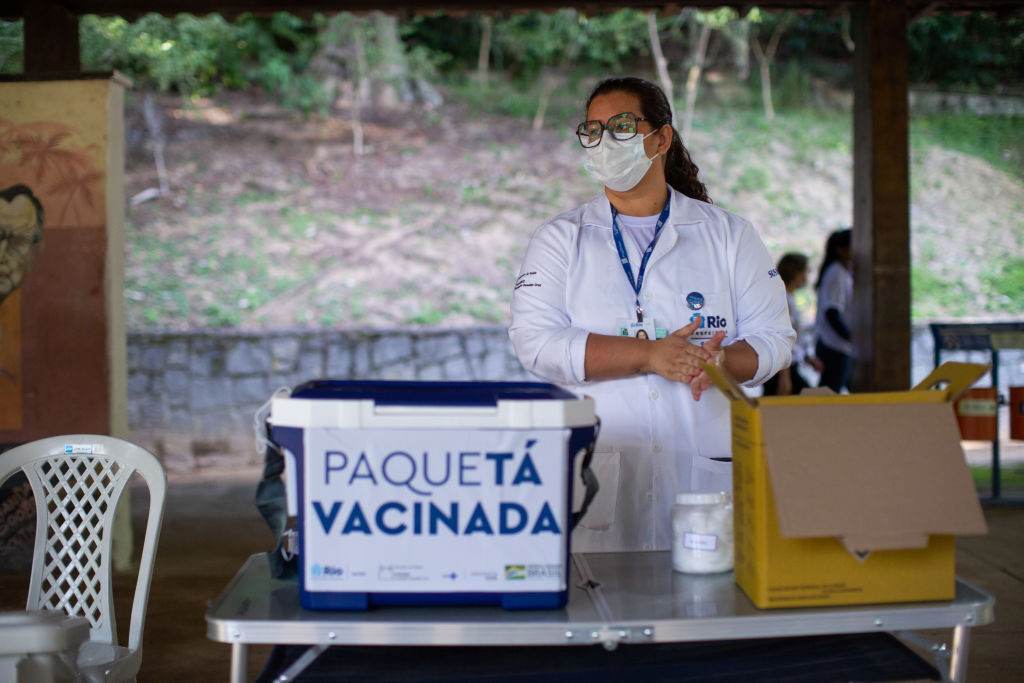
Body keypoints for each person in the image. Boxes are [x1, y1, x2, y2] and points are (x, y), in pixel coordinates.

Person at [509, 76, 794, 552]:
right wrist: (649, 356)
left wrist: (720, 366)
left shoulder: (728, 234)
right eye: (593, 131)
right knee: (602, 607)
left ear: (660, 138)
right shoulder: (560, 238)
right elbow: (535, 342)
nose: (605, 142)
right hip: (602, 469)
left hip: (705, 475)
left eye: (622, 125)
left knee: (709, 604)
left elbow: (775, 339)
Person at [762, 253, 822, 396]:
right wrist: (785, 377)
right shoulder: (782, 299)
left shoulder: (788, 297)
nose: (806, 278)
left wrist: (807, 357)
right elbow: (781, 338)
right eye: (804, 272)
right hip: (782, 369)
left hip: (788, 366)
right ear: (794, 273)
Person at [814, 228, 854, 392]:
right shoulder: (836, 273)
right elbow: (832, 312)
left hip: (839, 346)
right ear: (841, 250)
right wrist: (849, 336)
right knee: (828, 394)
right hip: (834, 346)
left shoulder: (843, 272)